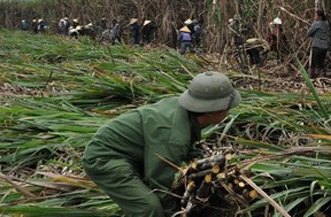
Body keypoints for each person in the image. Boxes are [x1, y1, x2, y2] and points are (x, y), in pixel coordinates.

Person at [82, 71, 241, 217]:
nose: (229, 111)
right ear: (213, 110)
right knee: (149, 208)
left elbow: (181, 146)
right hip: (105, 158)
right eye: (227, 107)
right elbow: (158, 185)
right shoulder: (173, 136)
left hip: (133, 153)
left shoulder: (183, 113)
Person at [307, 9, 330, 79]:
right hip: (324, 46)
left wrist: (313, 24)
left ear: (320, 17)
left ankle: (312, 77)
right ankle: (322, 76)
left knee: (313, 63)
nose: (314, 17)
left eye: (316, 16)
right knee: (321, 62)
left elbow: (309, 33)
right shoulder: (326, 23)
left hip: (317, 45)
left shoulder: (316, 24)